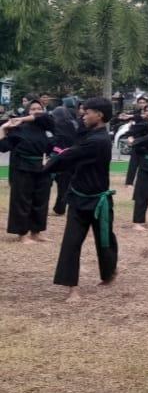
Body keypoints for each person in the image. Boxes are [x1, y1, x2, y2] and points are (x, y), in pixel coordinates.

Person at [8, 98, 117, 301]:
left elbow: (68, 156)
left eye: (87, 113)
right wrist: (27, 118)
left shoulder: (98, 141)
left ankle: (109, 273)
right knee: (71, 242)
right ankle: (72, 289)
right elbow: (55, 124)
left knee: (105, 239)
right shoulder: (87, 132)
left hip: (98, 199)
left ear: (99, 115)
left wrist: (44, 169)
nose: (83, 116)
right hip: (78, 197)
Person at [0, 98, 53, 243]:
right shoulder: (19, 128)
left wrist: (22, 118)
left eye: (39, 108)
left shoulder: (46, 125)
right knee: (22, 201)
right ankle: (22, 234)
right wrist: (3, 129)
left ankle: (36, 232)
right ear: (27, 110)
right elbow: (3, 147)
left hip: (42, 167)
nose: (36, 111)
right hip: (22, 167)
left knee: (41, 200)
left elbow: (43, 117)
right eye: (33, 109)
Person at [50, 106, 80, 216]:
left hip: (58, 156)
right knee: (65, 185)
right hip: (71, 157)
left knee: (52, 183)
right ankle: (61, 208)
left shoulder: (56, 126)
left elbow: (54, 143)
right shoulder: (75, 125)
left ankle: (58, 208)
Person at [120, 96, 148, 186]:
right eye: (140, 102)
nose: (142, 104)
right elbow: (130, 120)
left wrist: (130, 117)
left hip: (147, 140)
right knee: (133, 161)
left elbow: (142, 117)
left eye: (143, 102)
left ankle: (144, 181)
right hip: (136, 139)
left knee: (145, 163)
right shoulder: (136, 113)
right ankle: (129, 182)